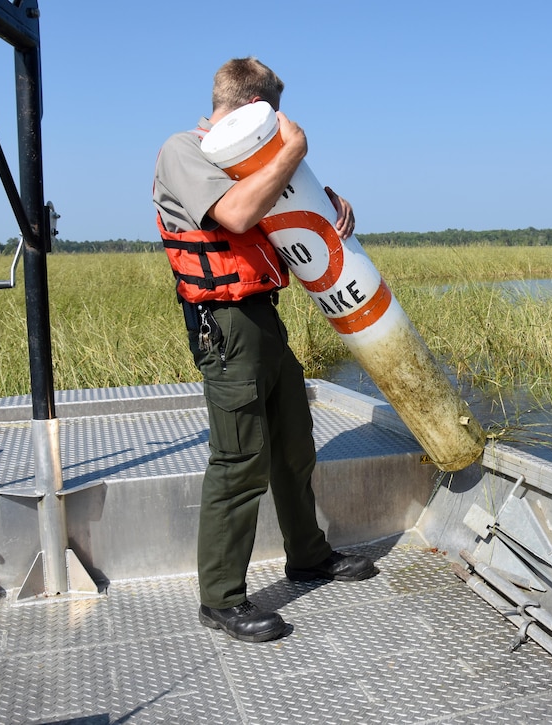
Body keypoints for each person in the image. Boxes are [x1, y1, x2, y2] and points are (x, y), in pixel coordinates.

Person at [152, 56, 378, 643]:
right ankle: (222, 599)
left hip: (264, 318)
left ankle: (308, 555)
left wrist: (326, 205)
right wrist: (292, 152)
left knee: (294, 444)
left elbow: (275, 209)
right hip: (223, 325)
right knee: (239, 461)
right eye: (271, 117)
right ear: (258, 110)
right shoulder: (183, 149)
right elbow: (235, 211)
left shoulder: (249, 158)